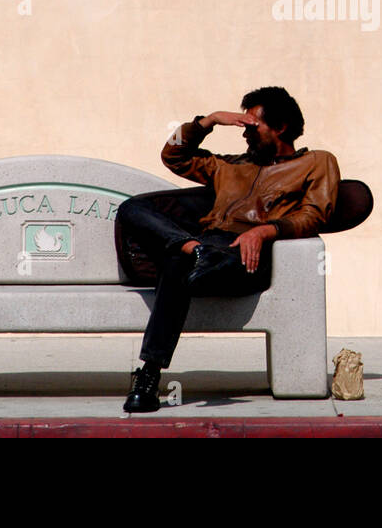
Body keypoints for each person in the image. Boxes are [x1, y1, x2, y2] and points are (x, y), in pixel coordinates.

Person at [116, 86, 340, 412]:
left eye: (253, 127)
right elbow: (173, 156)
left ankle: (148, 375)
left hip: (248, 256)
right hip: (207, 245)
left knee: (176, 266)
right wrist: (209, 121)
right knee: (132, 210)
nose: (245, 135)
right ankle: (194, 251)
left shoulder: (316, 162)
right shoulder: (229, 166)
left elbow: (316, 214)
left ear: (280, 127)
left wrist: (265, 231)